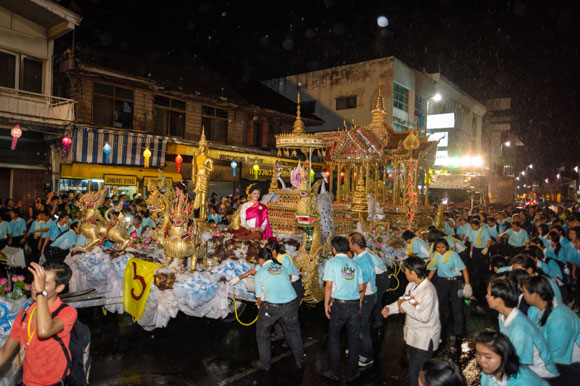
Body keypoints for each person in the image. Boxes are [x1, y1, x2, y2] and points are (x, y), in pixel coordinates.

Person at [0, 261, 77, 386]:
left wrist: (41, 292)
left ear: (59, 288)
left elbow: (44, 331)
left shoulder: (67, 312)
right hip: (27, 382)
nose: (35, 286)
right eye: (35, 280)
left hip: (54, 383)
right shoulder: (26, 312)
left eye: (43, 283)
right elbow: (5, 352)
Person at [383, 257, 441, 386]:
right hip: (413, 335)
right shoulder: (411, 285)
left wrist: (403, 305)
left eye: (405, 270)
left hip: (424, 339)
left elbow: (423, 316)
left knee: (418, 373)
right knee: (413, 370)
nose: (404, 272)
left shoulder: (428, 291)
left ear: (413, 272)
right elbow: (403, 300)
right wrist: (390, 309)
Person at [486, 278, 558, 380]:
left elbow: (519, 367)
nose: (486, 297)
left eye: (488, 294)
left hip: (543, 376)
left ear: (498, 300)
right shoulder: (502, 316)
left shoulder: (519, 329)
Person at [252, 248, 303, 371]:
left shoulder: (260, 272)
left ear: (261, 259)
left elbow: (259, 298)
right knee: (293, 332)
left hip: (272, 306)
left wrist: (261, 308)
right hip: (291, 303)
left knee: (262, 332)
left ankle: (265, 363)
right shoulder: (282, 268)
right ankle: (300, 361)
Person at [321, 236, 364, 382]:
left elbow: (328, 285)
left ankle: (335, 372)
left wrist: (326, 304)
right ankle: (352, 373)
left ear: (333, 249)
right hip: (353, 305)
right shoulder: (355, 264)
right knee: (353, 340)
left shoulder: (332, 263)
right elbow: (361, 287)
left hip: (339, 305)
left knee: (334, 339)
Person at [523, 275, 580, 383]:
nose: (522, 295)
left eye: (524, 292)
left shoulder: (560, 320)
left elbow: (555, 360)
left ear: (536, 294)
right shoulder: (534, 310)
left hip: (571, 365)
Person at [427, 238, 472, 345]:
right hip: (441, 282)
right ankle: (433, 327)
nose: (441, 249)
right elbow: (433, 268)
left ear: (446, 246)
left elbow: (464, 269)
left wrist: (467, 284)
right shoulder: (436, 256)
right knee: (435, 304)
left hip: (455, 283)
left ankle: (458, 331)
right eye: (438, 247)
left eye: (443, 247)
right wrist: (427, 282)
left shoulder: (453, 255)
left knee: (457, 307)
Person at [474, 330, 548, 386]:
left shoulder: (525, 382)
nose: (481, 360)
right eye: (478, 353)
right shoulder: (487, 373)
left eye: (488, 357)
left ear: (504, 356)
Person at [348, 232, 378, 367]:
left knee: (362, 329)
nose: (349, 245)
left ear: (355, 244)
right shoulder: (360, 257)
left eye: (349, 243)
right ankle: (357, 350)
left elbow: (364, 285)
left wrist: (359, 303)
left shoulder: (364, 260)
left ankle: (368, 356)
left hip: (366, 297)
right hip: (362, 296)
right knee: (358, 326)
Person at [466, 219, 492, 301]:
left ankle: (483, 280)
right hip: (476, 250)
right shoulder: (471, 231)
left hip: (483, 249)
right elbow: (472, 242)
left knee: (483, 266)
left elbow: (489, 240)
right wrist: (471, 251)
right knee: (475, 266)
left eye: (473, 226)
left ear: (478, 225)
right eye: (471, 226)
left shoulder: (484, 230)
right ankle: (476, 281)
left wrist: (486, 248)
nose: (472, 227)